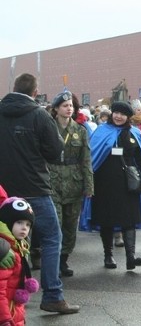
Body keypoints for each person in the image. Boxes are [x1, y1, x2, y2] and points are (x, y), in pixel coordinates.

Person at [0, 73, 80, 314]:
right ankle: (53, 294)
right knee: (51, 238)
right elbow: (56, 151)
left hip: (4, 191)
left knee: (7, 242)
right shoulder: (39, 115)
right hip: (35, 188)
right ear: (35, 92)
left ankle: (8, 297)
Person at [90, 101, 141, 271]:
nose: (118, 117)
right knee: (107, 219)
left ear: (128, 117)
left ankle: (131, 257)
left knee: (129, 219)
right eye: (116, 113)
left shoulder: (134, 132)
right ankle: (108, 255)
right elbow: (91, 156)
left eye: (123, 114)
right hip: (104, 182)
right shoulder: (101, 131)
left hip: (128, 183)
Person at [47, 91, 94, 278]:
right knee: (54, 224)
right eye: (65, 105)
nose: (69, 109)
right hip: (52, 180)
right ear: (56, 109)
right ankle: (53, 259)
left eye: (71, 106)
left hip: (74, 182)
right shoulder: (48, 128)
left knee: (70, 224)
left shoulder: (80, 131)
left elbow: (86, 160)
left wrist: (89, 185)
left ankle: (64, 259)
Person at [0, 196, 40, 325]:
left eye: (28, 224)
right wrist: (4, 319)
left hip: (14, 310)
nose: (24, 228)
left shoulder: (19, 247)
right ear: (7, 222)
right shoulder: (7, 252)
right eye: (19, 222)